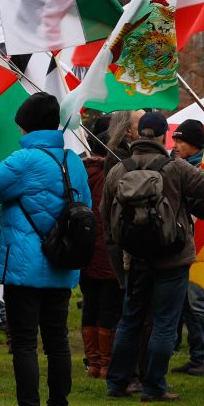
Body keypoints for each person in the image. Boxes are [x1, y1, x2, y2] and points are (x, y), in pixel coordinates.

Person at [0, 92, 88, 406]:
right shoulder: (73, 161)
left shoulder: (24, 159)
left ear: (26, 124)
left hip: (24, 265)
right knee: (57, 340)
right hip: (63, 262)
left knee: (23, 341)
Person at [102, 111, 204, 403]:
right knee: (165, 322)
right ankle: (154, 386)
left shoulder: (119, 169)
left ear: (138, 134)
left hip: (136, 258)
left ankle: (117, 382)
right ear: (165, 135)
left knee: (130, 320)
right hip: (173, 257)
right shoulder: (175, 168)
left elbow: (106, 215)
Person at [168, 118, 204, 376]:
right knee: (188, 303)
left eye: (181, 140)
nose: (175, 144)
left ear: (195, 143)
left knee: (199, 301)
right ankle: (198, 355)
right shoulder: (180, 165)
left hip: (201, 242)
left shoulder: (202, 167)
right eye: (174, 139)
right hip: (186, 243)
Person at [79, 114, 121, 380]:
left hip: (85, 252)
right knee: (109, 307)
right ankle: (105, 364)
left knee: (91, 305)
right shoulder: (110, 174)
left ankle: (94, 363)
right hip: (106, 251)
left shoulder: (81, 170)